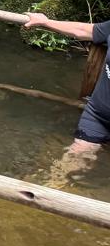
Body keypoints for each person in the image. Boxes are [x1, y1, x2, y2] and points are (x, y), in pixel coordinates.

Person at [24, 14, 110, 174]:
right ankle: (42, 191)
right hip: (98, 114)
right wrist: (46, 22)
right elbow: (84, 30)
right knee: (71, 162)